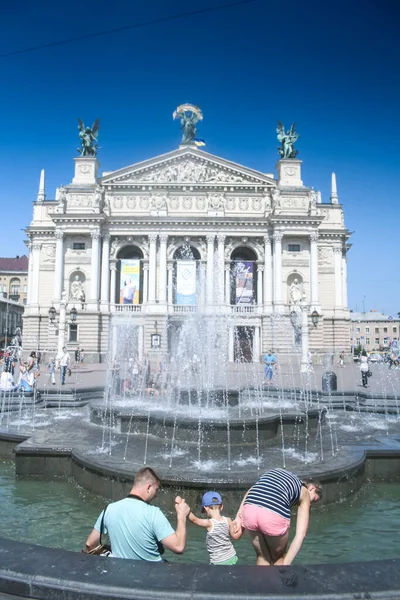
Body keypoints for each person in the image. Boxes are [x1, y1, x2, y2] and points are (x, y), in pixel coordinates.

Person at [85, 467, 190, 561]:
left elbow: (89, 544)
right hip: (150, 578)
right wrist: (181, 516)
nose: (156, 495)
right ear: (148, 487)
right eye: (156, 490)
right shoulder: (153, 513)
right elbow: (178, 547)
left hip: (118, 575)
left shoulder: (109, 509)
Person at [233, 468, 322, 566]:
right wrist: (285, 566)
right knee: (278, 558)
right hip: (272, 515)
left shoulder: (277, 473)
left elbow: (252, 489)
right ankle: (278, 580)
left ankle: (261, 581)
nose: (310, 504)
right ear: (312, 488)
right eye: (313, 500)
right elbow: (301, 535)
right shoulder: (304, 491)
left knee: (262, 556)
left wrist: (238, 516)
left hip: (250, 509)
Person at [188, 491, 242, 565]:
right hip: (232, 558)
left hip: (218, 562)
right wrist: (242, 525)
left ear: (206, 508)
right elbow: (236, 536)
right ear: (221, 506)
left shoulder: (209, 523)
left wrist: (184, 508)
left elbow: (194, 519)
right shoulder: (228, 520)